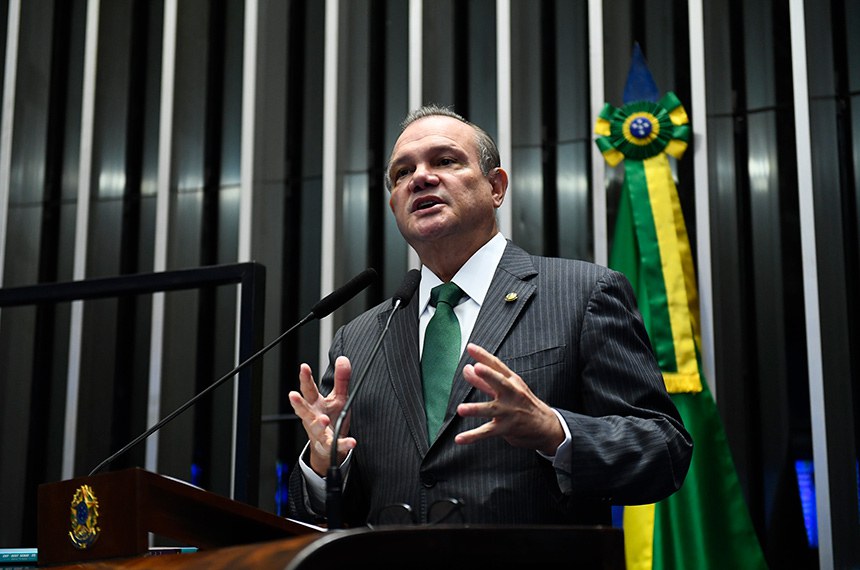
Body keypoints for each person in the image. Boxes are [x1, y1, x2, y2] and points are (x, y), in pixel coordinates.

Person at [287, 104, 692, 527]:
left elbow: (664, 449)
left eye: (445, 161)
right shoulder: (360, 340)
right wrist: (323, 463)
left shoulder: (582, 294)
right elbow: (317, 519)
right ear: (393, 204)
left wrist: (555, 431)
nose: (420, 177)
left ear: (496, 187)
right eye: (402, 173)